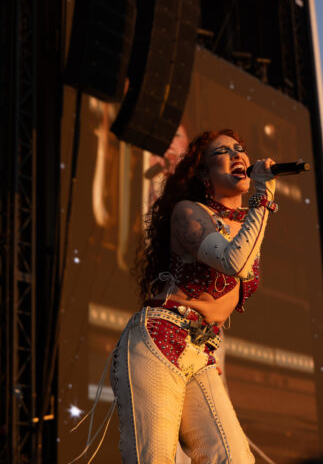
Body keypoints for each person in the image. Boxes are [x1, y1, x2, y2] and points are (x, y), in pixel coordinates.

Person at [110, 129, 278, 463]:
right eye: (223, 151)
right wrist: (263, 195)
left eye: (240, 148)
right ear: (203, 173)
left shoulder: (249, 226)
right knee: (155, 457)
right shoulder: (189, 212)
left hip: (201, 352)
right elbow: (234, 262)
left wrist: (258, 204)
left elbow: (234, 278)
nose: (237, 154)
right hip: (160, 339)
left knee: (234, 458)